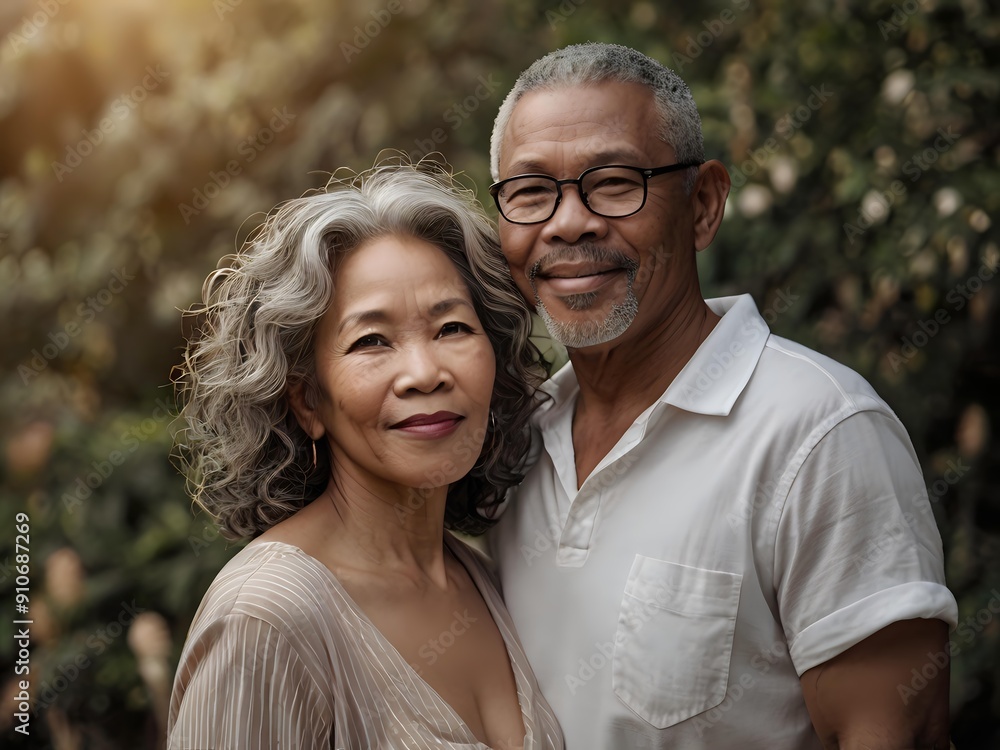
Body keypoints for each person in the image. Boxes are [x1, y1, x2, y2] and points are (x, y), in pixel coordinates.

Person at [486, 43, 959, 749]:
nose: (567, 223)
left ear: (702, 205)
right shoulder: (509, 448)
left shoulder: (819, 433)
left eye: (614, 182)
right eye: (529, 193)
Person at [166, 162, 563, 750]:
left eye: (451, 327)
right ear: (306, 400)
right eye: (371, 341)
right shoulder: (266, 619)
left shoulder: (479, 577)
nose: (425, 373)